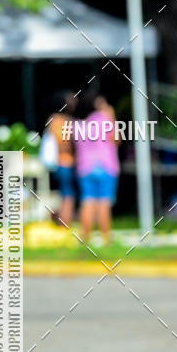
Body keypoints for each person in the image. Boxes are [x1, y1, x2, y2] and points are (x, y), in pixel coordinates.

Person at [74, 87, 121, 244]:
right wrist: (112, 117)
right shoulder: (104, 118)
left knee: (87, 200)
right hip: (106, 165)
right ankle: (106, 237)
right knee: (104, 202)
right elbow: (116, 140)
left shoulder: (77, 124)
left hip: (85, 167)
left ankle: (85, 236)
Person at [46, 91, 77, 227]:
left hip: (61, 163)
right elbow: (62, 143)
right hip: (64, 162)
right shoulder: (60, 120)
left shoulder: (55, 119)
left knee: (64, 192)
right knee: (68, 194)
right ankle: (65, 223)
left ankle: (63, 222)